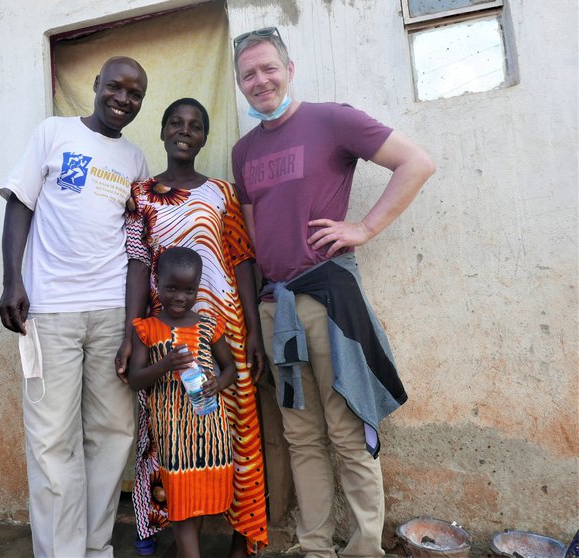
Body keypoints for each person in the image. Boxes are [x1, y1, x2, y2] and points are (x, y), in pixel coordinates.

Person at [231, 27, 436, 558]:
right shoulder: (243, 151)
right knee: (300, 436)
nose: (261, 81)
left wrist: (363, 229)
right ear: (239, 83)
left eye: (269, 68)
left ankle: (366, 548)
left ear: (290, 69)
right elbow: (256, 238)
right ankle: (315, 546)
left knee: (347, 432)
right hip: (276, 306)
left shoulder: (330, 120)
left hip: (328, 301)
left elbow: (416, 163)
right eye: (248, 74)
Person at [0, 56, 149, 558]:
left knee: (111, 435)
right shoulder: (53, 133)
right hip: (51, 311)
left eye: (135, 94)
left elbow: (135, 247)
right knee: (51, 439)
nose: (123, 99)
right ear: (96, 84)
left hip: (109, 313)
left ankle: (94, 548)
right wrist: (11, 280)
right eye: (116, 87)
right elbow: (20, 203)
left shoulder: (134, 160)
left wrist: (132, 327)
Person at [118, 98, 269, 555]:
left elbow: (242, 261)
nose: (185, 131)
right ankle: (177, 536)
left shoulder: (222, 192)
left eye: (196, 126)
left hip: (224, 328)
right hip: (163, 335)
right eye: (176, 123)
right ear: (163, 131)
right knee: (169, 436)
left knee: (238, 432)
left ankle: (243, 538)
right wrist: (131, 331)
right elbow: (138, 265)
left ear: (204, 137)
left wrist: (255, 330)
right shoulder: (141, 194)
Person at [128, 246, 238, 558]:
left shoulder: (208, 325)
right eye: (171, 288)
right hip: (172, 433)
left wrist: (219, 382)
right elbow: (135, 379)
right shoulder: (146, 328)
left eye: (189, 290)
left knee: (199, 498)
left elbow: (230, 368)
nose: (179, 298)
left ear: (198, 287)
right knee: (180, 499)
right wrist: (164, 365)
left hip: (209, 430)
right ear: (157, 283)